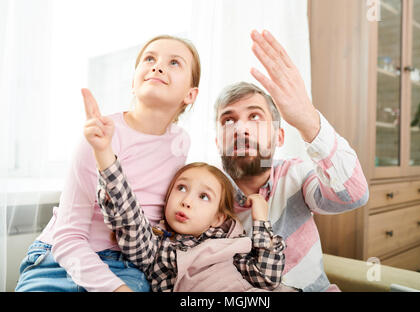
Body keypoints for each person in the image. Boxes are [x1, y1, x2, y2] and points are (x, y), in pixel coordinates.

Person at [15, 35, 201, 292]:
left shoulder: (181, 144)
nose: (157, 66)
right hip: (60, 261)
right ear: (133, 84)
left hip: (127, 267)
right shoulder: (100, 136)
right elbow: (68, 237)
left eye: (174, 63)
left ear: (190, 94)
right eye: (149, 58)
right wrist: (114, 289)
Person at [214, 30, 369, 292]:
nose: (240, 129)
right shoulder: (205, 192)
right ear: (218, 141)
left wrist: (308, 118)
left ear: (279, 136)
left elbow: (353, 195)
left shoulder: (296, 175)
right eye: (228, 120)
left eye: (255, 117)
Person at [87, 111, 286, 291]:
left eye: (204, 197)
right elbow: (128, 217)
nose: (187, 201)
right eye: (181, 188)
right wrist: (104, 154)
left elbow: (268, 277)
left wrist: (261, 220)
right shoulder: (156, 249)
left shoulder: (231, 246)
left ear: (218, 218)